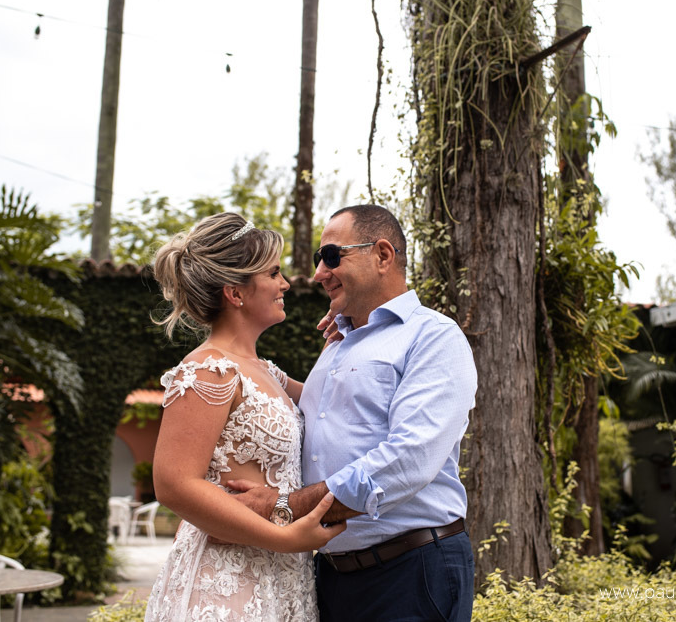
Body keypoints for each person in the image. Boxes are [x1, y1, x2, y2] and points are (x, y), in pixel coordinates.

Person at [228, 204, 478, 621]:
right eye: (317, 260)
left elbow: (409, 460)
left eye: (331, 256)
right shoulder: (335, 344)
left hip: (411, 572)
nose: (318, 274)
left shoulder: (434, 337)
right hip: (331, 580)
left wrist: (287, 504)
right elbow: (312, 423)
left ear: (382, 255)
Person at [143, 212, 345, 621]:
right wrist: (283, 539)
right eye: (273, 273)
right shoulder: (208, 370)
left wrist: (344, 340)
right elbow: (173, 484)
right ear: (236, 293)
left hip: (284, 579)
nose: (285, 283)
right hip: (227, 582)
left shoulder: (266, 371)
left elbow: (327, 410)